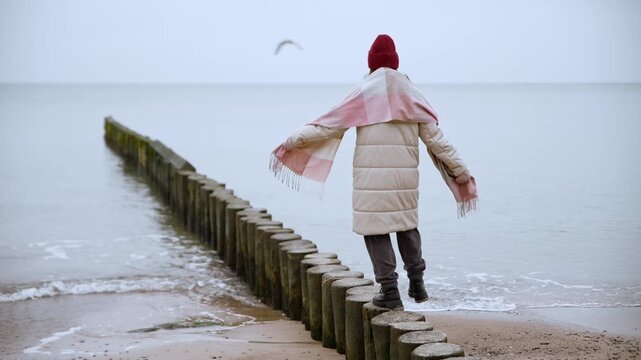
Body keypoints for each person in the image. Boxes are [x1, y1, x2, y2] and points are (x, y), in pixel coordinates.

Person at [270, 34, 477, 310]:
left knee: (376, 231)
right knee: (406, 225)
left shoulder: (363, 93)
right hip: (404, 179)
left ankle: (390, 291)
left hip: (371, 181)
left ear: (370, 63)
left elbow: (327, 126)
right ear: (395, 62)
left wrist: (291, 141)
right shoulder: (412, 95)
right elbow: (438, 142)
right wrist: (462, 174)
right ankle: (417, 282)